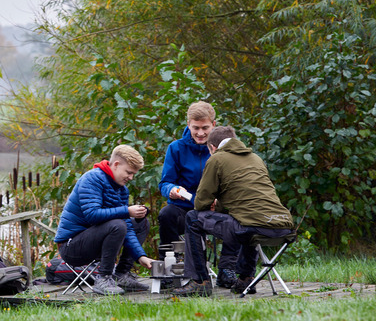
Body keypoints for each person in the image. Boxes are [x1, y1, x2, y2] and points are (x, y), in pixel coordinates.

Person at [172, 126, 295, 297]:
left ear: (212, 147)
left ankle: (200, 282)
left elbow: (200, 203)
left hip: (252, 226)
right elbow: (246, 197)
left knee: (193, 218)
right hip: (283, 227)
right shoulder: (256, 158)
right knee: (247, 219)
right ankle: (246, 279)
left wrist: (212, 204)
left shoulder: (217, 159)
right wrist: (220, 206)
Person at [157, 101, 240, 288]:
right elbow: (164, 183)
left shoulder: (225, 149)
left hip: (214, 209)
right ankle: (169, 270)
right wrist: (171, 189)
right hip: (184, 208)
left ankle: (228, 270)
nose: (201, 133)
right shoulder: (176, 148)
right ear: (188, 125)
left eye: (205, 128)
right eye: (196, 128)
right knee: (166, 215)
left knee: (239, 216)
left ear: (214, 124)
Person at [54, 145, 155, 295]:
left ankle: (121, 275)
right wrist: (127, 211)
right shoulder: (92, 179)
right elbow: (92, 215)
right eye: (129, 172)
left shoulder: (121, 189)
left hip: (95, 241)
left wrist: (140, 256)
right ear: (116, 165)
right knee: (118, 224)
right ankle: (104, 278)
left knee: (141, 223)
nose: (131, 178)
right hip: (71, 247)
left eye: (133, 174)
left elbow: (126, 225)